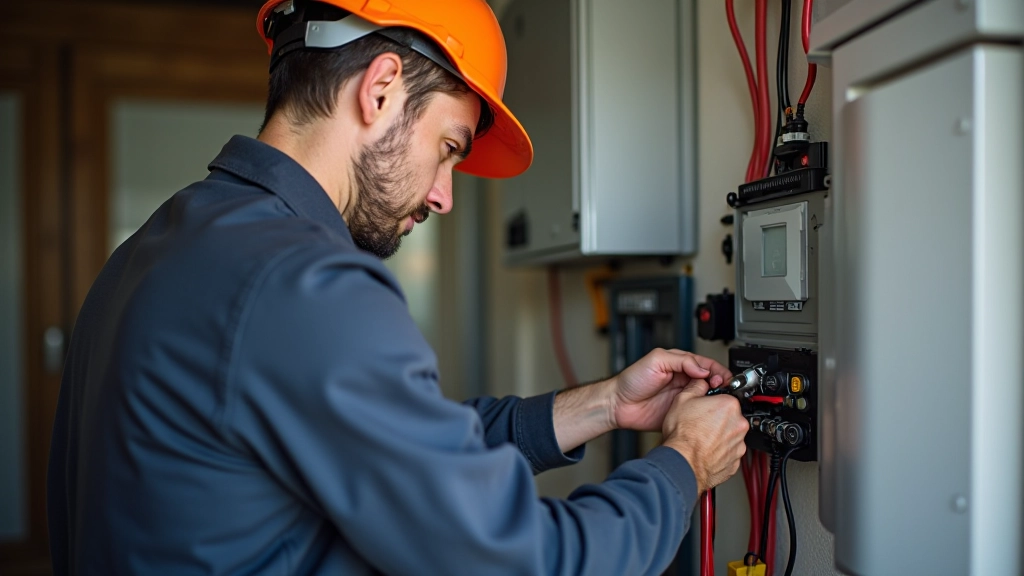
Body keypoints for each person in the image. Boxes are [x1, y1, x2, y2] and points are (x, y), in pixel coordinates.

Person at [46, 1, 749, 574]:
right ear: (380, 88)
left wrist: (601, 405)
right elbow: (527, 563)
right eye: (449, 148)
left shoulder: (158, 248)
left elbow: (391, 447)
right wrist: (682, 464)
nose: (444, 196)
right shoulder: (308, 283)